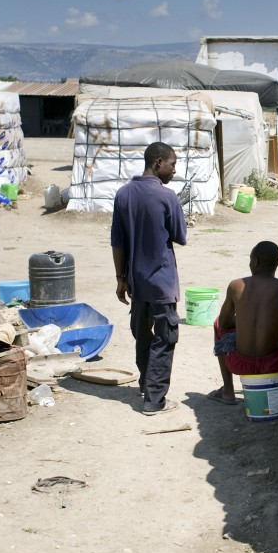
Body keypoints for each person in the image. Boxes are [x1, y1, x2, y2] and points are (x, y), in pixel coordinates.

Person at [111, 142, 187, 415]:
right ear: (157, 163)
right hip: (162, 284)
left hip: (136, 283)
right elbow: (180, 236)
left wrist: (121, 278)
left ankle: (146, 384)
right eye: (172, 164)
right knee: (165, 337)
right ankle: (155, 400)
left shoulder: (123, 195)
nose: (174, 171)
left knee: (142, 335)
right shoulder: (167, 197)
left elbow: (117, 242)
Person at [208, 241, 278, 405]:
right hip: (276, 364)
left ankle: (227, 390)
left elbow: (225, 322)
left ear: (255, 261)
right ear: (277, 264)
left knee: (218, 323)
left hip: (239, 363)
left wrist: (242, 319)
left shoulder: (236, 286)